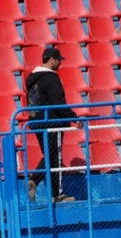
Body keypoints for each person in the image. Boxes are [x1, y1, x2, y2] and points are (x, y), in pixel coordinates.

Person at [25, 46, 82, 203]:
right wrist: (73, 117)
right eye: (58, 60)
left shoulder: (32, 78)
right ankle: (56, 193)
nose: (60, 64)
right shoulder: (51, 78)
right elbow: (58, 102)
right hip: (52, 122)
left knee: (50, 157)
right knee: (54, 156)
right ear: (52, 60)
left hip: (36, 122)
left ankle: (35, 182)